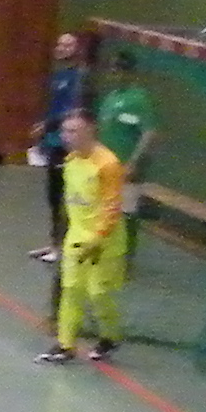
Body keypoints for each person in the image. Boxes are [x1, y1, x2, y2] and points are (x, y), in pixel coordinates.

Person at [38, 107, 126, 366]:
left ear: (91, 130)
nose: (67, 136)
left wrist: (97, 238)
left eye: (74, 131)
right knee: (71, 289)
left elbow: (111, 206)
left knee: (99, 293)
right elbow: (71, 203)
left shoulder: (108, 164)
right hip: (77, 238)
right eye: (65, 131)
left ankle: (110, 336)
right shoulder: (71, 161)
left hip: (104, 242)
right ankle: (65, 345)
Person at [30, 30, 86, 262]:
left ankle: (66, 246)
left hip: (67, 145)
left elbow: (74, 111)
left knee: (66, 196)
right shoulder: (58, 75)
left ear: (77, 49)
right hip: (53, 141)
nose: (62, 49)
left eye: (68, 45)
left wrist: (49, 125)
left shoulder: (79, 77)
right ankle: (54, 243)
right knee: (53, 196)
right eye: (60, 45)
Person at [97, 59, 157, 271]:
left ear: (129, 73)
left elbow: (149, 132)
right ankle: (106, 252)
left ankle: (126, 259)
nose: (114, 75)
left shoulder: (139, 99)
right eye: (112, 71)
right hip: (107, 166)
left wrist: (133, 162)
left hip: (127, 168)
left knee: (127, 212)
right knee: (105, 210)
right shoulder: (110, 98)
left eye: (119, 71)